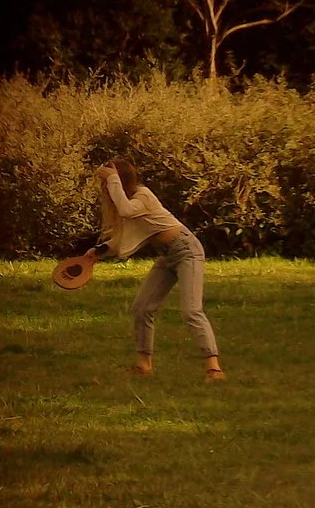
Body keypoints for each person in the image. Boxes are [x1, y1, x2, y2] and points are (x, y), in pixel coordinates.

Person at [95, 159, 225, 382]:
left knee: (191, 310)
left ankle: (215, 369)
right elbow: (124, 237)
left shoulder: (143, 196)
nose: (105, 188)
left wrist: (111, 178)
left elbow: (125, 211)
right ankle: (144, 366)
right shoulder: (134, 203)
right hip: (168, 255)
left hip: (187, 250)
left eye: (107, 182)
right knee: (142, 308)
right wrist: (96, 253)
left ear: (120, 181)